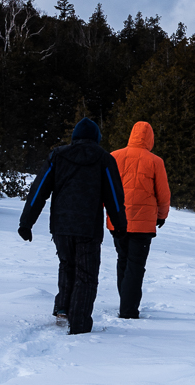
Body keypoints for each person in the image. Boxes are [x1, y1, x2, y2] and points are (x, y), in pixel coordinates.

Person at [18, 117, 126, 335]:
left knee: (67, 264)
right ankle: (79, 324)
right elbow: (114, 197)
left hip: (62, 226)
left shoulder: (58, 156)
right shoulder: (104, 159)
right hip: (88, 227)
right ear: (96, 138)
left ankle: (63, 310)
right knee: (86, 274)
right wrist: (121, 226)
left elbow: (38, 190)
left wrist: (26, 222)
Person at [107, 121, 171, 318]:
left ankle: (125, 301)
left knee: (122, 261)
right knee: (135, 265)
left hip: (117, 220)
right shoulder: (155, 161)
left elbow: (106, 187)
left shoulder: (114, 156)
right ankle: (128, 309)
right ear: (150, 138)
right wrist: (161, 215)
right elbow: (163, 193)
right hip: (143, 224)